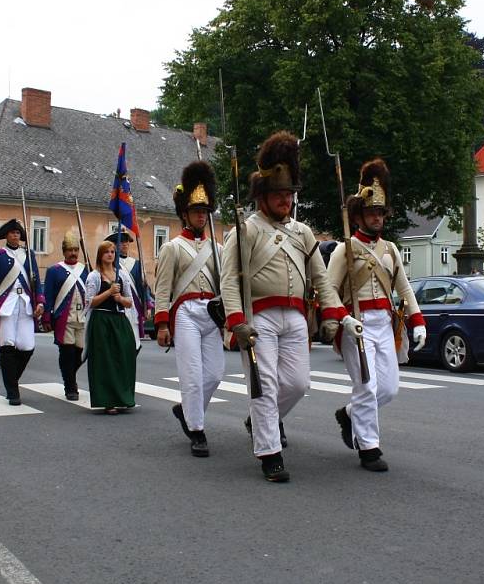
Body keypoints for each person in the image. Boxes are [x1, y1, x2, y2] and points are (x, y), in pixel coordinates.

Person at [220, 131, 357, 482]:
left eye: (289, 194)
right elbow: (230, 281)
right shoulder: (245, 231)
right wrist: (237, 321)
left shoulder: (304, 233)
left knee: (297, 384)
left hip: (295, 316)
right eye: (279, 194)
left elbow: (321, 278)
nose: (286, 200)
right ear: (263, 196)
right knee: (263, 384)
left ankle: (259, 420)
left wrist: (334, 314)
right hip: (259, 318)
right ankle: (269, 453)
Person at [324, 159, 426, 472]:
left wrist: (418, 320)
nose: (377, 218)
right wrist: (343, 318)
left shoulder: (391, 249)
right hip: (356, 326)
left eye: (381, 212)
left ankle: (350, 413)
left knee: (389, 389)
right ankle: (369, 448)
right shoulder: (345, 249)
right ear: (358, 216)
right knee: (367, 386)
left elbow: (404, 289)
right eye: (371, 212)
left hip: (385, 324)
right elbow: (328, 290)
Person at [154, 161, 224, 458]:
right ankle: (196, 429)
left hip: (211, 313)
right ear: (185, 214)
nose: (201, 216)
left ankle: (187, 410)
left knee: (215, 374)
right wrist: (161, 323)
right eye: (196, 211)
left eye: (205, 212)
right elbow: (162, 287)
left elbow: (225, 285)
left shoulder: (217, 250)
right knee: (192, 376)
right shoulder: (172, 248)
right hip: (184, 314)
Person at [0, 219, 45, 406]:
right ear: (6, 236)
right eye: (12, 232)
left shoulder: (29, 255)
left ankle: (11, 378)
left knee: (27, 346)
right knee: (8, 346)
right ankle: (12, 391)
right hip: (6, 305)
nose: (15, 235)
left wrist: (40, 301)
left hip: (25, 304)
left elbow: (36, 281)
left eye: (18, 233)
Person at [84, 240, 136, 414]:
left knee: (124, 358)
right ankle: (107, 401)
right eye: (106, 251)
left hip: (120, 320)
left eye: (113, 252)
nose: (110, 254)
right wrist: (108, 291)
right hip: (102, 320)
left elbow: (130, 302)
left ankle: (124, 397)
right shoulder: (94, 276)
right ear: (100, 254)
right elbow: (89, 302)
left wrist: (120, 299)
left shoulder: (122, 276)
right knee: (104, 361)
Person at [43, 232, 89, 401]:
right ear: (64, 251)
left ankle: (69, 374)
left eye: (76, 249)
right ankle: (70, 386)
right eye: (70, 250)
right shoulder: (54, 270)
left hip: (82, 318)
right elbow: (48, 295)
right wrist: (46, 317)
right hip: (64, 318)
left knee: (81, 353)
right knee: (67, 352)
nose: (73, 253)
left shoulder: (85, 270)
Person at [104, 229, 151, 348]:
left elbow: (143, 286)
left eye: (126, 241)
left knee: (135, 343)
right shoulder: (111, 263)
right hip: (117, 307)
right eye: (121, 241)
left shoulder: (136, 263)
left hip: (134, 307)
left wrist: (148, 305)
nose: (125, 244)